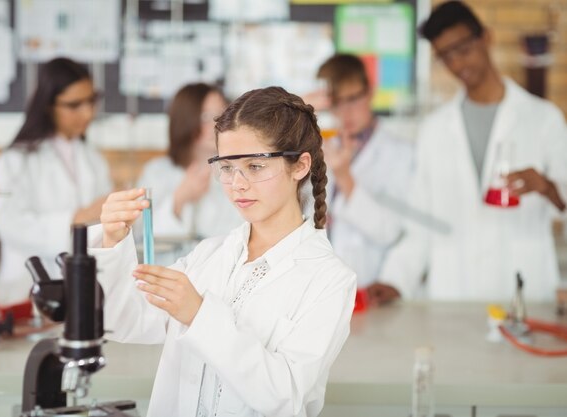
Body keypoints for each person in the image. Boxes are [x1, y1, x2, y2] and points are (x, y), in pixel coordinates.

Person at [90, 87, 356, 416]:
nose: (237, 184)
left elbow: (285, 396)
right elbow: (124, 319)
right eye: (227, 167)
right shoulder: (208, 256)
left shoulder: (329, 279)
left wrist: (199, 315)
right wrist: (112, 242)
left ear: (300, 166)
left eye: (255, 167)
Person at [369, 1, 567, 304]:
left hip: (523, 288)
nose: (458, 64)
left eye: (462, 49)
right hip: (456, 292)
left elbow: (563, 201)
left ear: (486, 38)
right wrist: (395, 279)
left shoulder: (543, 119)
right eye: (445, 56)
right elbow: (422, 221)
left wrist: (546, 186)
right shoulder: (434, 130)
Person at [0, 57, 112, 305]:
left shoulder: (92, 158)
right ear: (48, 105)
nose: (88, 112)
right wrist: (77, 218)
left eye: (91, 101)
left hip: (81, 285)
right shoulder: (15, 160)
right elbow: (9, 225)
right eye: (75, 105)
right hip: (27, 289)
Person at [311, 54, 415, 287]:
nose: (345, 112)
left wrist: (345, 178)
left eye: (352, 99)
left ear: (370, 92)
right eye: (337, 103)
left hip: (369, 285)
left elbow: (391, 232)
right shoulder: (321, 147)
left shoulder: (401, 154)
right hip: (320, 287)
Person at [135, 83, 242, 241]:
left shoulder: (237, 171)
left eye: (222, 115)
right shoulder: (157, 172)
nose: (217, 125)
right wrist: (180, 199)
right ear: (186, 121)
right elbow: (141, 236)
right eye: (206, 117)